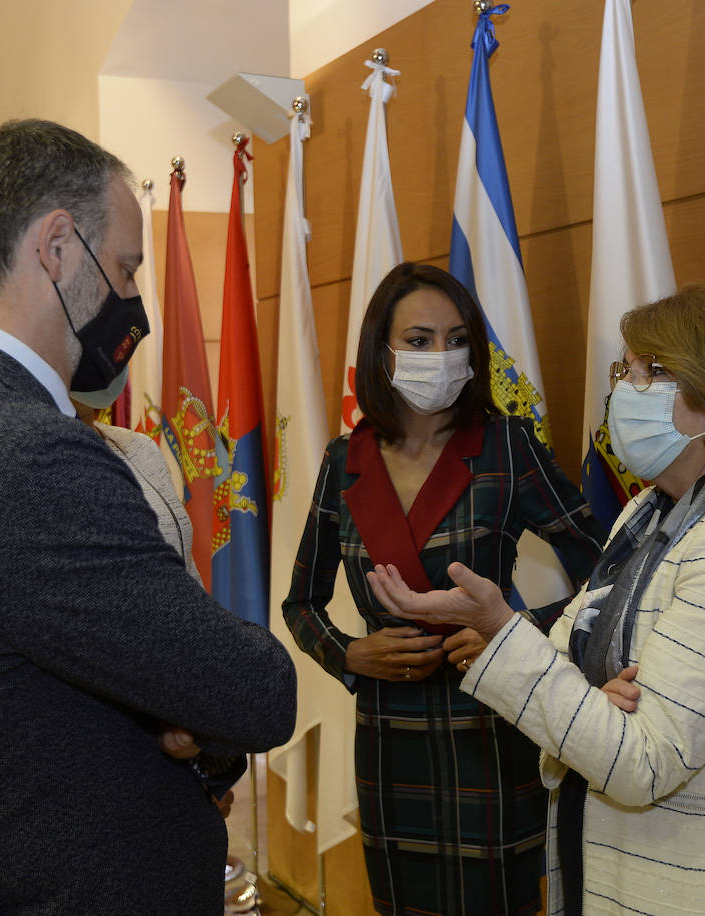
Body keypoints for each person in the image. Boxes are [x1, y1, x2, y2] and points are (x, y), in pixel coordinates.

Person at [0, 119, 295, 914]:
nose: (133, 302)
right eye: (128, 268)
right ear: (58, 247)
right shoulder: (31, 454)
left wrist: (188, 715)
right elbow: (254, 690)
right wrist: (198, 715)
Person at [368, 283, 705, 915]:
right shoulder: (648, 515)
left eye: (653, 371)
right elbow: (569, 673)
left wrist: (498, 628)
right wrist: (590, 700)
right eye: (627, 368)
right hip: (613, 874)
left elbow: (644, 761)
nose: (625, 386)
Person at [283, 262, 611, 916]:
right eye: (421, 340)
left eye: (457, 340)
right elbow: (300, 604)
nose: (441, 355)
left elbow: (606, 570)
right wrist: (348, 654)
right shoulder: (344, 462)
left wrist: (511, 630)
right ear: (382, 351)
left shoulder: (504, 446)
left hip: (489, 728)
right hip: (388, 734)